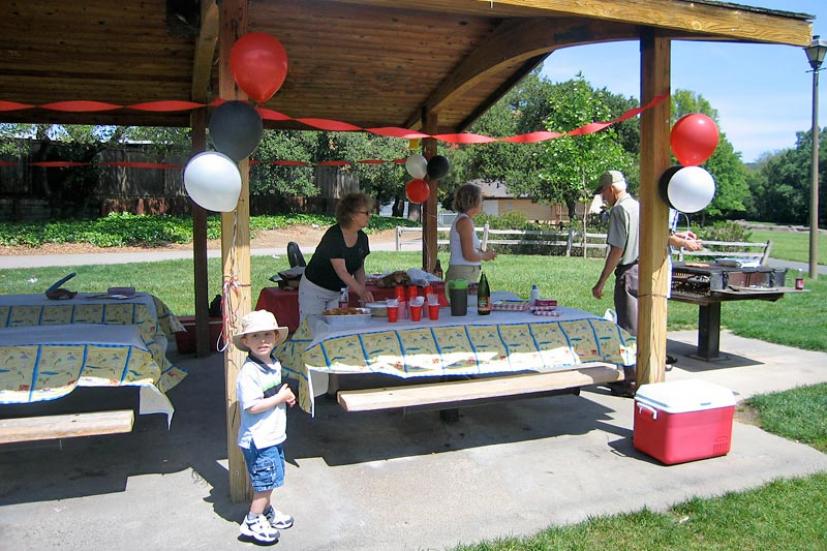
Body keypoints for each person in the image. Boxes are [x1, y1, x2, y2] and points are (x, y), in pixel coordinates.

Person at [233, 310, 296, 544]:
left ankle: (266, 512)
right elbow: (252, 407)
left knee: (272, 478)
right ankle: (252, 520)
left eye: (267, 335)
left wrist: (283, 396)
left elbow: (271, 393)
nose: (263, 341)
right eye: (256, 336)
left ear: (276, 338)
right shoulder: (249, 373)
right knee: (265, 483)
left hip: (273, 435)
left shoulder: (272, 363)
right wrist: (279, 399)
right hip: (258, 439)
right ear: (246, 341)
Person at [299, 192, 375, 321]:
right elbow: (342, 271)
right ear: (352, 215)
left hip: (337, 293)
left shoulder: (363, 238)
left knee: (335, 328)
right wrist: (360, 292)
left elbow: (359, 267)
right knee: (311, 329)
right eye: (366, 212)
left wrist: (362, 290)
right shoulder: (333, 236)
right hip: (314, 290)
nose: (370, 215)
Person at [592, 170, 640, 336]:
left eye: (603, 192)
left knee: (628, 330)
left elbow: (617, 250)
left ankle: (630, 362)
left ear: (611, 189)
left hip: (628, 274)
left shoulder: (619, 210)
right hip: (643, 273)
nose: (603, 198)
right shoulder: (638, 207)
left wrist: (601, 282)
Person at [445, 183, 496, 287]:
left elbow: (469, 250)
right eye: (481, 199)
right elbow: (468, 255)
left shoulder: (464, 220)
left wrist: (481, 252)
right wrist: (485, 256)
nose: (482, 203)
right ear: (473, 201)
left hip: (463, 272)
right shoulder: (465, 222)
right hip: (462, 274)